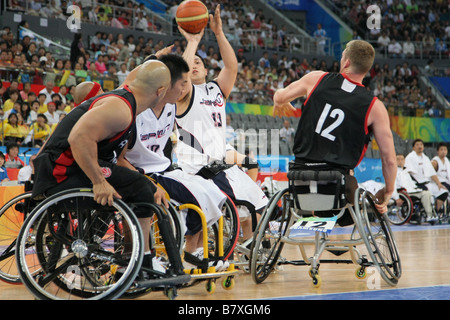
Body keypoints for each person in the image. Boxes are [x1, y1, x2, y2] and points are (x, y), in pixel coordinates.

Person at [31, 60, 172, 273]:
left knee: (140, 185)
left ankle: (136, 257)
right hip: (61, 171)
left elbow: (140, 73)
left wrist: (160, 57)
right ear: (160, 91)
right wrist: (99, 182)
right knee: (139, 186)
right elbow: (78, 137)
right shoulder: (121, 110)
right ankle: (140, 262)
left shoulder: (129, 94)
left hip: (66, 165)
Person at [122, 52, 228, 269]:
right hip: (143, 172)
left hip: (165, 167)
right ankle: (189, 253)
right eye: (182, 84)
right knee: (195, 197)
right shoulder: (138, 108)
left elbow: (183, 135)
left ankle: (195, 251)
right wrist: (152, 59)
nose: (185, 90)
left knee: (213, 191)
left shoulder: (170, 106)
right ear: (165, 85)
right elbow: (129, 82)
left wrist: (204, 150)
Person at [175, 5, 268, 241]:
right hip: (198, 170)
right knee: (218, 219)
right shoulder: (182, 93)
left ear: (206, 70)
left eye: (199, 62)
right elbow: (181, 77)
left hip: (220, 164)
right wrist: (193, 41)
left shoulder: (216, 89)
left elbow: (232, 67)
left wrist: (218, 33)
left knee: (258, 205)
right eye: (191, 62)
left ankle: (250, 247)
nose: (194, 64)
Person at [273, 40, 397, 214]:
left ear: (346, 62)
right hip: (340, 190)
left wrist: (280, 101)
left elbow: (279, 97)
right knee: (357, 200)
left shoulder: (316, 78)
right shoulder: (375, 107)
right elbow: (389, 160)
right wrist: (389, 191)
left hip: (300, 180)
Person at [404, 139, 448, 215]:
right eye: (417, 145)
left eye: (421, 145)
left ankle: (436, 211)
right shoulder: (410, 157)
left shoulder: (425, 158)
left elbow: (432, 173)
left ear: (423, 147)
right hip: (416, 184)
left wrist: (439, 184)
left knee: (444, 192)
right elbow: (407, 173)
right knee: (428, 194)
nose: (419, 146)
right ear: (413, 148)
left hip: (428, 183)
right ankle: (429, 214)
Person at [395, 153, 435, 222]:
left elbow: (412, 184)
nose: (400, 161)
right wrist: (396, 198)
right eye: (398, 159)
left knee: (426, 193)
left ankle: (429, 216)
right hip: (403, 193)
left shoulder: (406, 172)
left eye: (402, 159)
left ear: (404, 161)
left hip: (412, 191)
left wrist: (417, 188)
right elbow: (393, 186)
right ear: (394, 161)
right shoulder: (393, 172)